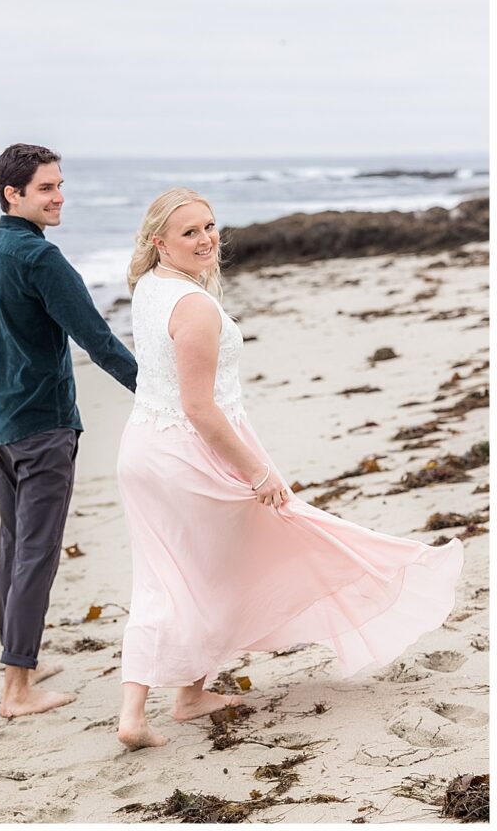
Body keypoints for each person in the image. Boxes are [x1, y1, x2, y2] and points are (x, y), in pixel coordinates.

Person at [116, 188, 464, 749]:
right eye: (190, 232)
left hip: (144, 451)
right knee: (259, 552)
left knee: (171, 577)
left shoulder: (150, 287)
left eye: (210, 226)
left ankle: (175, 699)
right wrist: (259, 473)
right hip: (192, 455)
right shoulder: (195, 306)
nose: (206, 239)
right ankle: (161, 704)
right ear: (160, 242)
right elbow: (200, 409)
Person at [0, 144, 137, 718]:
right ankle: (17, 688)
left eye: (60, 185)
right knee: (34, 553)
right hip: (42, 429)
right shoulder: (42, 261)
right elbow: (96, 338)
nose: (59, 196)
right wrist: (155, 391)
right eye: (46, 188)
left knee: (15, 547)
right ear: (11, 194)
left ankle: (24, 659)